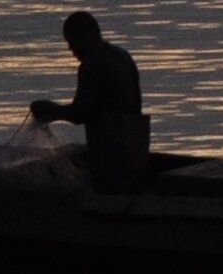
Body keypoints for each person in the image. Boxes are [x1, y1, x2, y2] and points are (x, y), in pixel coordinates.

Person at [33, 11, 151, 192]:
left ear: (85, 37)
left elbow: (79, 114)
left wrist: (50, 111)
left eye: (71, 42)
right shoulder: (123, 57)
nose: (70, 49)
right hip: (135, 151)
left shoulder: (91, 65)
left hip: (110, 157)